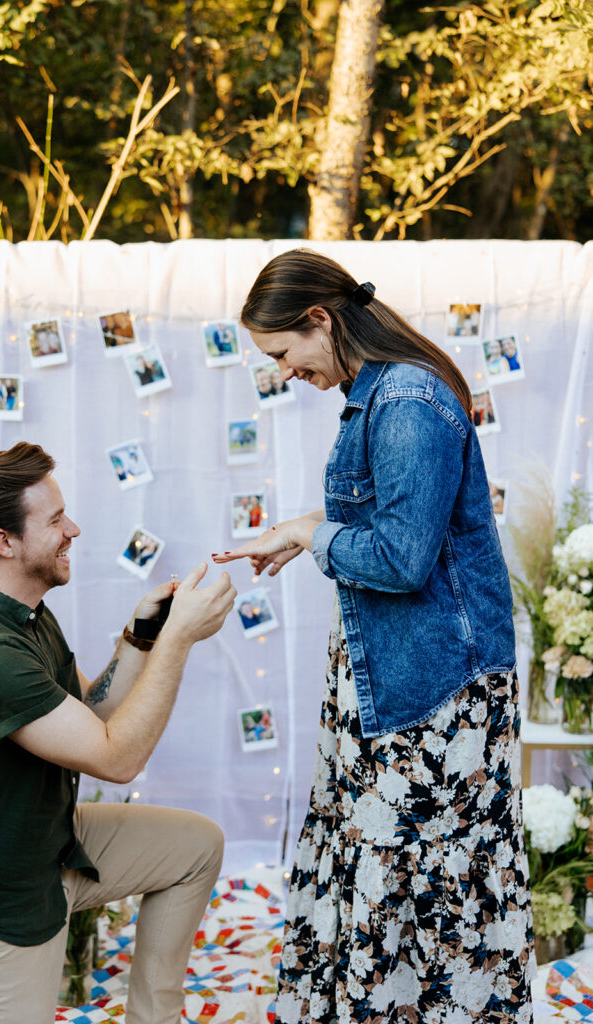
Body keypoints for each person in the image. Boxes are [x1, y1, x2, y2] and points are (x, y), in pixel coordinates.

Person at [213, 249, 534, 1024]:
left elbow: (399, 558)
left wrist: (310, 533)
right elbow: (394, 526)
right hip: (395, 678)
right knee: (384, 871)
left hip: (434, 695)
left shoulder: (406, 400)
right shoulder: (378, 395)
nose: (285, 372)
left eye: (283, 352)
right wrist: (305, 528)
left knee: (431, 890)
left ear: (319, 319)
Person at [0, 442, 236, 1024]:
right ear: (4, 542)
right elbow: (118, 760)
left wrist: (143, 635)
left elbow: (89, 713)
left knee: (196, 847)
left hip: (53, 846)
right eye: (56, 520)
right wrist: (178, 642)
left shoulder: (25, 613)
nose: (74, 530)